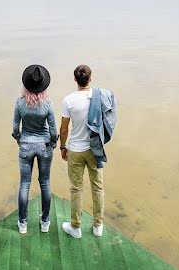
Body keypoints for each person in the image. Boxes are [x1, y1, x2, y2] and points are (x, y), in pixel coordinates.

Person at [60, 64, 115, 239]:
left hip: (75, 151)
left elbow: (63, 129)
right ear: (90, 79)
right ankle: (98, 225)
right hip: (95, 149)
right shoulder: (100, 97)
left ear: (75, 79)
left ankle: (75, 227)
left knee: (76, 189)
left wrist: (62, 147)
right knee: (97, 187)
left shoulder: (68, 100)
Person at [12, 64, 58, 234]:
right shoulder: (48, 104)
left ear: (26, 85)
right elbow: (53, 129)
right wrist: (53, 143)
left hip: (25, 145)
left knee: (24, 184)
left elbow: (16, 128)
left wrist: (18, 139)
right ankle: (45, 222)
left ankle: (22, 223)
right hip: (45, 146)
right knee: (45, 183)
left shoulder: (19, 103)